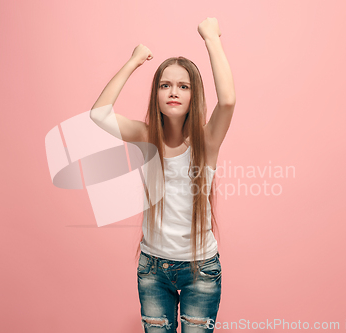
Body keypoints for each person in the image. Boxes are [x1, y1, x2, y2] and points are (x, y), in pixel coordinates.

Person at [90, 17, 235, 333]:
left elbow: (227, 101)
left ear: (193, 95)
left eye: (184, 86)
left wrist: (211, 38)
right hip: (153, 269)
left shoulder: (206, 142)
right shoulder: (146, 138)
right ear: (155, 93)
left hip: (201, 269)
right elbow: (98, 114)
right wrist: (133, 62)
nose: (174, 92)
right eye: (165, 85)